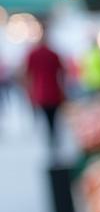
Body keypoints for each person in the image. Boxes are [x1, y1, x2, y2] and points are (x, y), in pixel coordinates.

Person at [24, 20, 65, 152]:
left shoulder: (33, 54)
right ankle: (54, 141)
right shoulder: (53, 53)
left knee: (48, 120)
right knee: (53, 120)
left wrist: (29, 92)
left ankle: (52, 142)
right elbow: (62, 73)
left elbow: (26, 75)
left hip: (41, 93)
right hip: (54, 93)